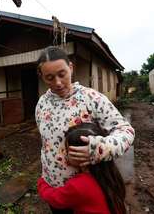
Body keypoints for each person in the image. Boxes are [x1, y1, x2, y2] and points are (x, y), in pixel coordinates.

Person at [35, 46, 134, 213]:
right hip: (54, 188)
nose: (57, 83)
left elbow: (126, 131)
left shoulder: (91, 98)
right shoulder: (42, 104)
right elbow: (47, 144)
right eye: (49, 78)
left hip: (86, 192)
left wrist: (100, 148)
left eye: (62, 74)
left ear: (71, 68)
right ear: (42, 77)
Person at [37, 122, 126, 214]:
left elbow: (55, 199)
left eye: (67, 150)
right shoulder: (111, 174)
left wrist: (43, 181)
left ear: (81, 154)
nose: (64, 155)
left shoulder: (78, 185)